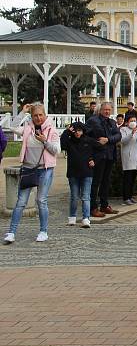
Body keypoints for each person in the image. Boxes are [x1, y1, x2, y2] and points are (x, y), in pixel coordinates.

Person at [3, 103, 60, 244]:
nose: (38, 118)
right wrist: (23, 112)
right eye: (35, 115)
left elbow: (56, 150)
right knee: (21, 202)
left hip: (45, 169)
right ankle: (11, 232)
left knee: (41, 200)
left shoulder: (51, 130)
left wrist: (45, 141)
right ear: (32, 117)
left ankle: (43, 231)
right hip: (28, 168)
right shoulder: (28, 128)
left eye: (41, 115)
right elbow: (11, 127)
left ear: (45, 115)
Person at [87, 101, 121, 217]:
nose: (107, 112)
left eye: (109, 110)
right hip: (98, 156)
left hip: (110, 155)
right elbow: (91, 135)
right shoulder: (93, 120)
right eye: (105, 109)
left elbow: (118, 135)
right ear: (100, 110)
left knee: (106, 182)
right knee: (96, 182)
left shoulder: (112, 122)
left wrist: (108, 139)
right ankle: (93, 207)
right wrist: (100, 141)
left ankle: (104, 205)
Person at [60, 122, 95, 228]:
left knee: (85, 197)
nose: (78, 133)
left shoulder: (88, 140)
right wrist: (67, 131)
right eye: (75, 131)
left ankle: (86, 218)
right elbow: (63, 144)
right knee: (74, 197)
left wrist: (94, 160)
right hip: (73, 173)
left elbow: (99, 149)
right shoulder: (69, 141)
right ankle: (72, 217)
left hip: (87, 172)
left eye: (80, 130)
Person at [119, 116, 137, 205]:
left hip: (136, 158)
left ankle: (130, 196)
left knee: (133, 178)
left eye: (135, 121)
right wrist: (131, 134)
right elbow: (123, 141)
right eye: (131, 121)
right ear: (127, 122)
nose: (133, 122)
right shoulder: (123, 130)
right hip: (128, 157)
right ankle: (126, 197)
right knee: (128, 178)